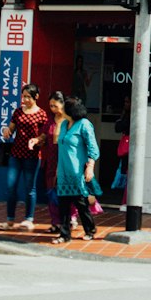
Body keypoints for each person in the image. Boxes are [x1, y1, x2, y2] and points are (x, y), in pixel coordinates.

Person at [0, 83, 50, 230]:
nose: (25, 100)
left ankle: (29, 219)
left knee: (29, 188)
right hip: (16, 153)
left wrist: (37, 140)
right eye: (24, 97)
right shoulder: (18, 112)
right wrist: (6, 131)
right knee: (11, 186)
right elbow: (11, 127)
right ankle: (10, 220)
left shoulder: (41, 114)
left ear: (36, 97)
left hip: (32, 155)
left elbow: (44, 134)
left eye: (28, 97)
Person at [52, 96, 100, 244]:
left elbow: (93, 148)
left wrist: (90, 168)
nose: (60, 109)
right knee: (63, 205)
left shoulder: (84, 125)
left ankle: (90, 229)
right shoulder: (65, 123)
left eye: (64, 107)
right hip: (63, 172)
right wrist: (57, 171)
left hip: (77, 172)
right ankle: (64, 234)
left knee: (81, 203)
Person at [42, 91, 66, 236]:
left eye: (55, 106)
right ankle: (55, 222)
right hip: (51, 160)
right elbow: (44, 136)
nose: (53, 109)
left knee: (65, 192)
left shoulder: (69, 121)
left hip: (65, 161)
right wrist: (37, 140)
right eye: (50, 106)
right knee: (51, 191)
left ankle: (69, 220)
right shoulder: (50, 121)